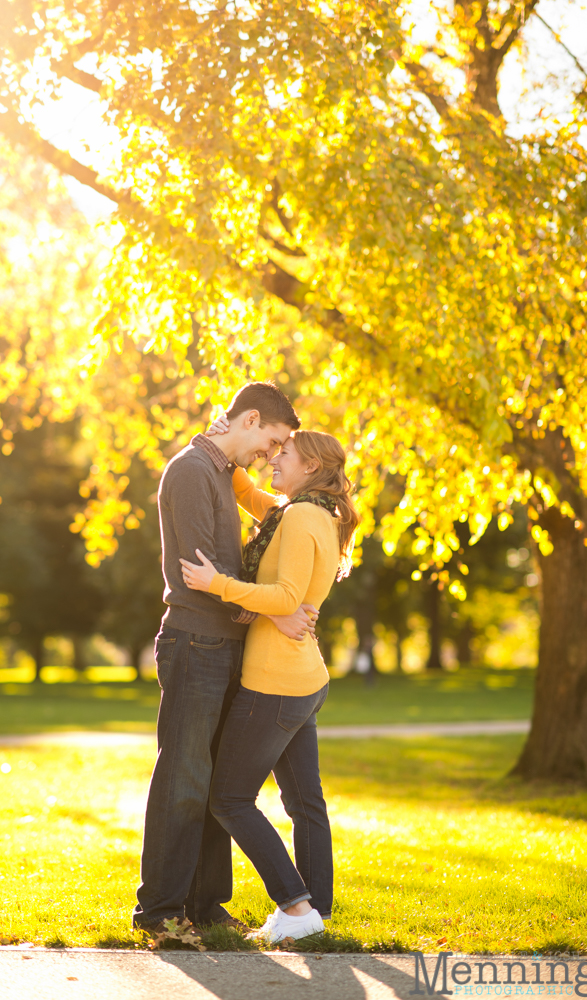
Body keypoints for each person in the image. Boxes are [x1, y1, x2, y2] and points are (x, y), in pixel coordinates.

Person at [133, 382, 319, 934]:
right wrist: (271, 613)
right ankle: (161, 912)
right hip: (195, 643)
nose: (273, 452)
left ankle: (205, 906)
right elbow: (203, 571)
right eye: (275, 439)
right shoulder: (191, 471)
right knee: (183, 777)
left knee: (212, 784)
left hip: (223, 644)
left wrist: (261, 613)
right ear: (251, 420)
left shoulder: (215, 470)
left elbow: (229, 566)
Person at [181, 427, 360, 943]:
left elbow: (285, 598)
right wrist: (215, 439)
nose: (274, 458)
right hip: (302, 678)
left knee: (229, 798)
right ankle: (314, 918)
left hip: (276, 682)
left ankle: (296, 905)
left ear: (311, 467)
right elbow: (245, 490)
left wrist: (216, 583)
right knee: (306, 804)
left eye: (285, 453)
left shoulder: (302, 516)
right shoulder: (303, 511)